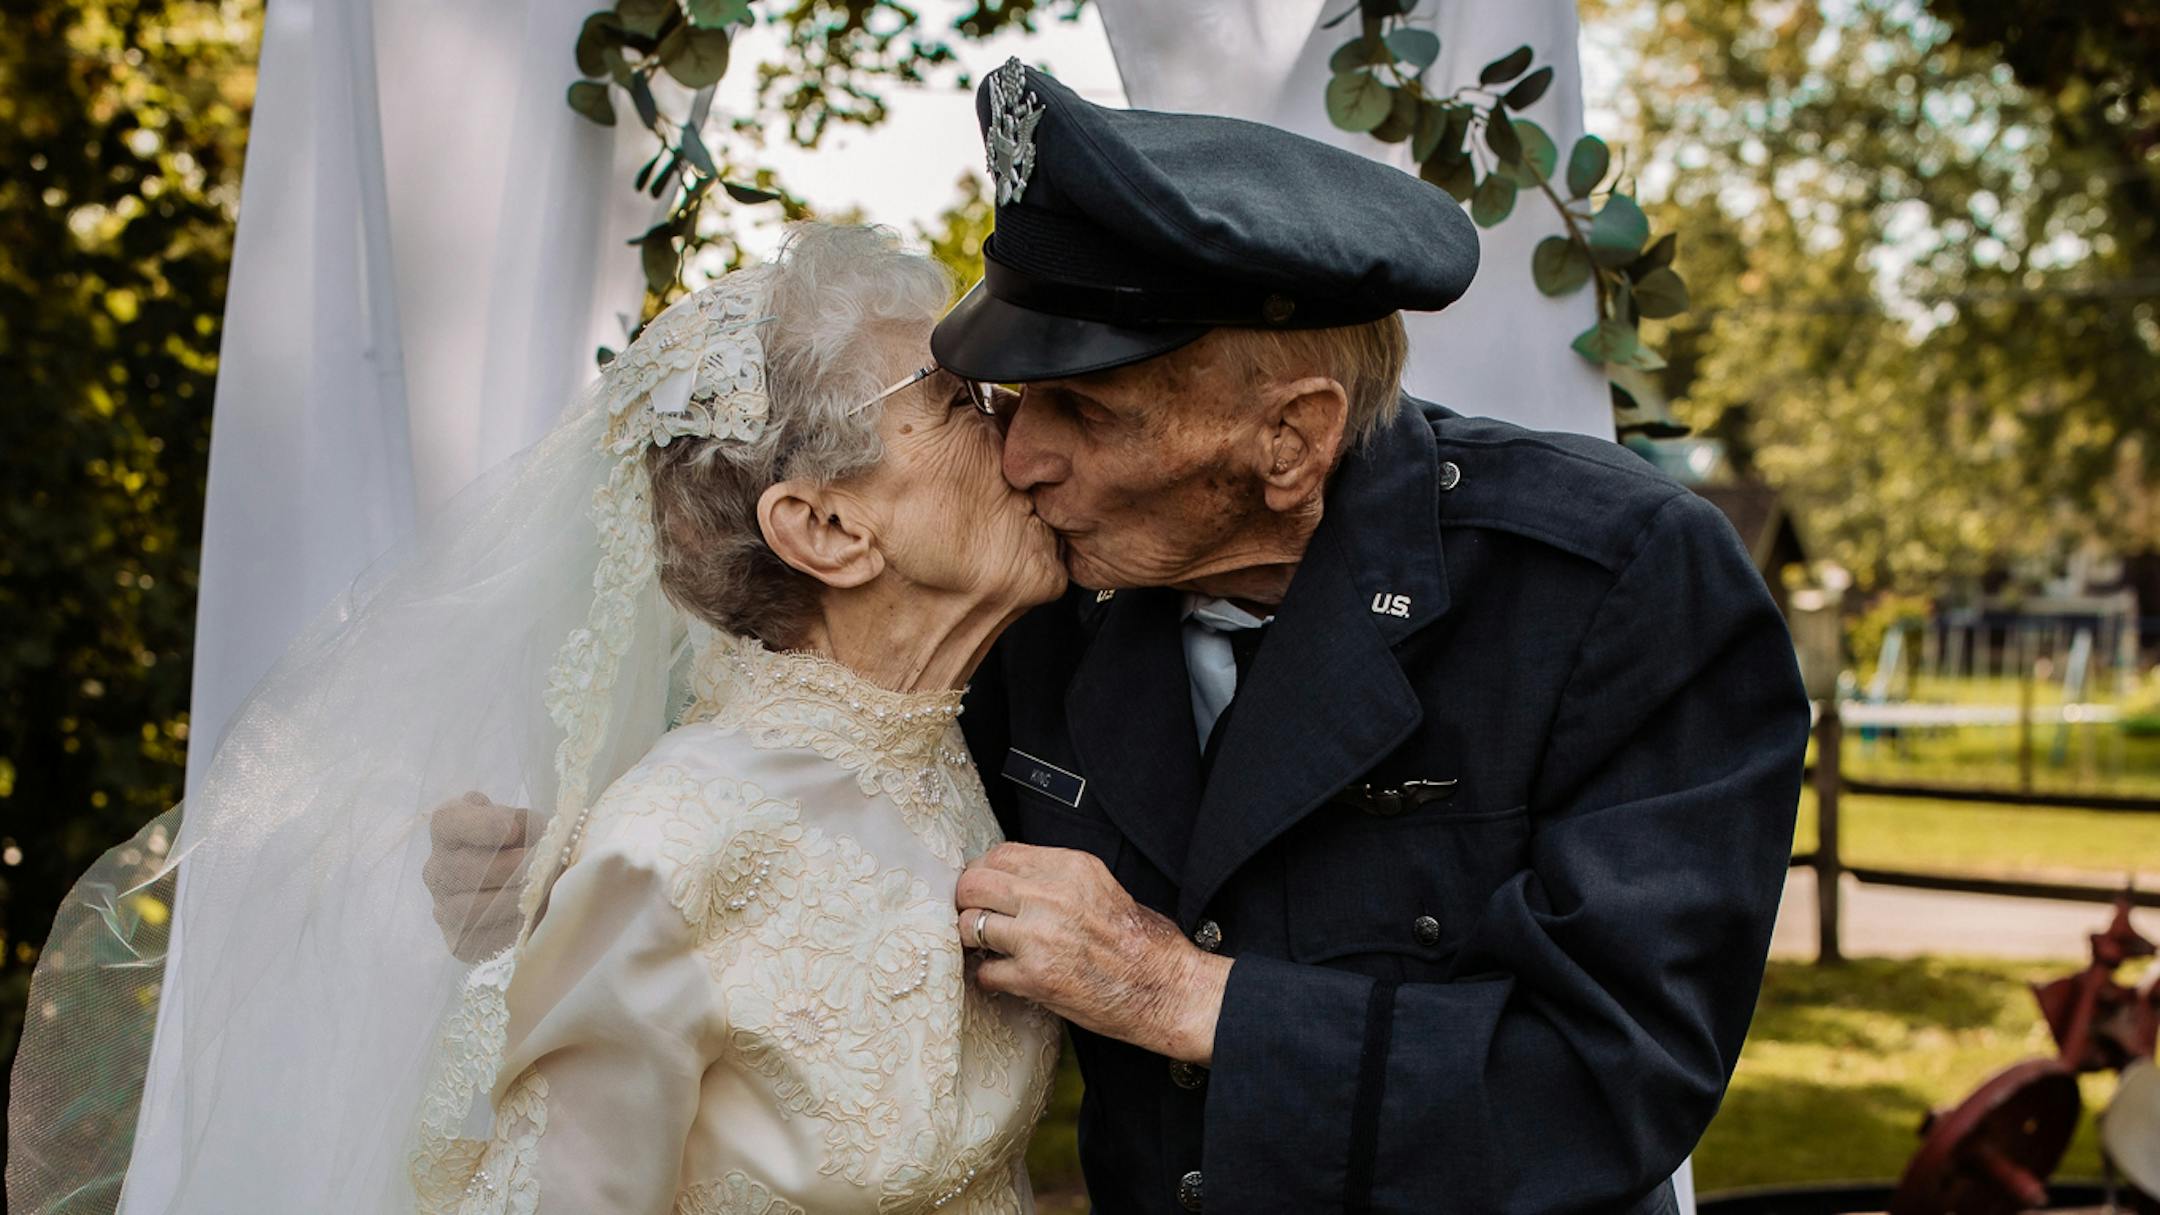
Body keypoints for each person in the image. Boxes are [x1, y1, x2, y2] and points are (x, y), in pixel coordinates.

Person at [431, 61, 1809, 1215]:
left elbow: (1610, 1077)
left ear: (1290, 438)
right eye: (1002, 399)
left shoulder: (1613, 584)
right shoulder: (1047, 598)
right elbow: (807, 761)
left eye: (1081, 414)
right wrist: (558, 864)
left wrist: (1185, 992)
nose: (1017, 455)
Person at [8, 224, 1065, 1214]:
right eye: (961, 398)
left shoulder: (945, 743)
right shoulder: (673, 841)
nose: (1021, 415)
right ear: (826, 527)